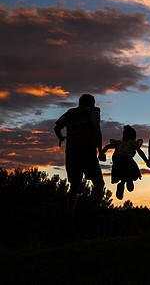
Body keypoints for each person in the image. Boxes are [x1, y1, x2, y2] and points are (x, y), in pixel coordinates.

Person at [54, 93, 106, 224]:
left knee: (74, 186)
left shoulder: (70, 113)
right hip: (87, 150)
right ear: (92, 103)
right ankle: (93, 217)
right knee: (99, 184)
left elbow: (57, 126)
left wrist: (61, 137)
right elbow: (96, 130)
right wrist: (100, 151)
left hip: (72, 151)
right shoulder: (93, 112)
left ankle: (69, 217)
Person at [100, 125, 150, 200]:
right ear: (133, 137)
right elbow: (140, 152)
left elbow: (107, 146)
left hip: (117, 163)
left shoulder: (118, 143)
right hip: (128, 161)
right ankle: (129, 180)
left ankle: (122, 184)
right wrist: (146, 160)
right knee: (131, 171)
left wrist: (101, 154)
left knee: (122, 174)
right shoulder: (132, 143)